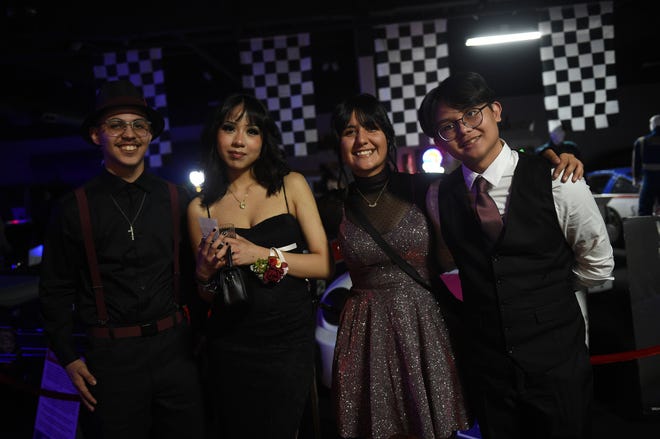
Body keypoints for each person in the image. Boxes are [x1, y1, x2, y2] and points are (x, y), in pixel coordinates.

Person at [326, 93, 584, 439]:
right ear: (338, 143)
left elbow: (488, 173)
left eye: (371, 127)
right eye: (348, 131)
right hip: (366, 336)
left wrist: (545, 160)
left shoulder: (427, 190)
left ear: (388, 135)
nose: (361, 140)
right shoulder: (330, 207)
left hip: (426, 329)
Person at [418, 71, 615, 439]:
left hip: (558, 365)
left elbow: (599, 265)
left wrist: (546, 292)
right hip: (490, 371)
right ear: (438, 140)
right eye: (448, 126)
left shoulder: (558, 179)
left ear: (495, 111)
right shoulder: (437, 197)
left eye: (472, 114)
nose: (463, 130)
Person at [38, 80, 206, 438]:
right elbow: (54, 289)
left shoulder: (178, 199)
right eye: (116, 124)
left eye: (139, 125)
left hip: (176, 350)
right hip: (111, 360)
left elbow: (198, 277)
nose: (129, 134)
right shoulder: (72, 209)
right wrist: (68, 355)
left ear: (150, 135)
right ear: (97, 136)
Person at [188, 93, 333, 438]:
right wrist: (204, 274)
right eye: (229, 128)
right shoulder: (200, 208)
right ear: (215, 135)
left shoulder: (290, 185)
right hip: (232, 344)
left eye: (251, 131)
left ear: (264, 139)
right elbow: (207, 296)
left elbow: (323, 264)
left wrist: (261, 255)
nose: (239, 141)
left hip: (287, 342)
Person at [632, 114, 660, 216]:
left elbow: (636, 163)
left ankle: (647, 231)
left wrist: (635, 179)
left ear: (652, 125)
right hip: (649, 180)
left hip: (649, 181)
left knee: (645, 211)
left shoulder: (641, 142)